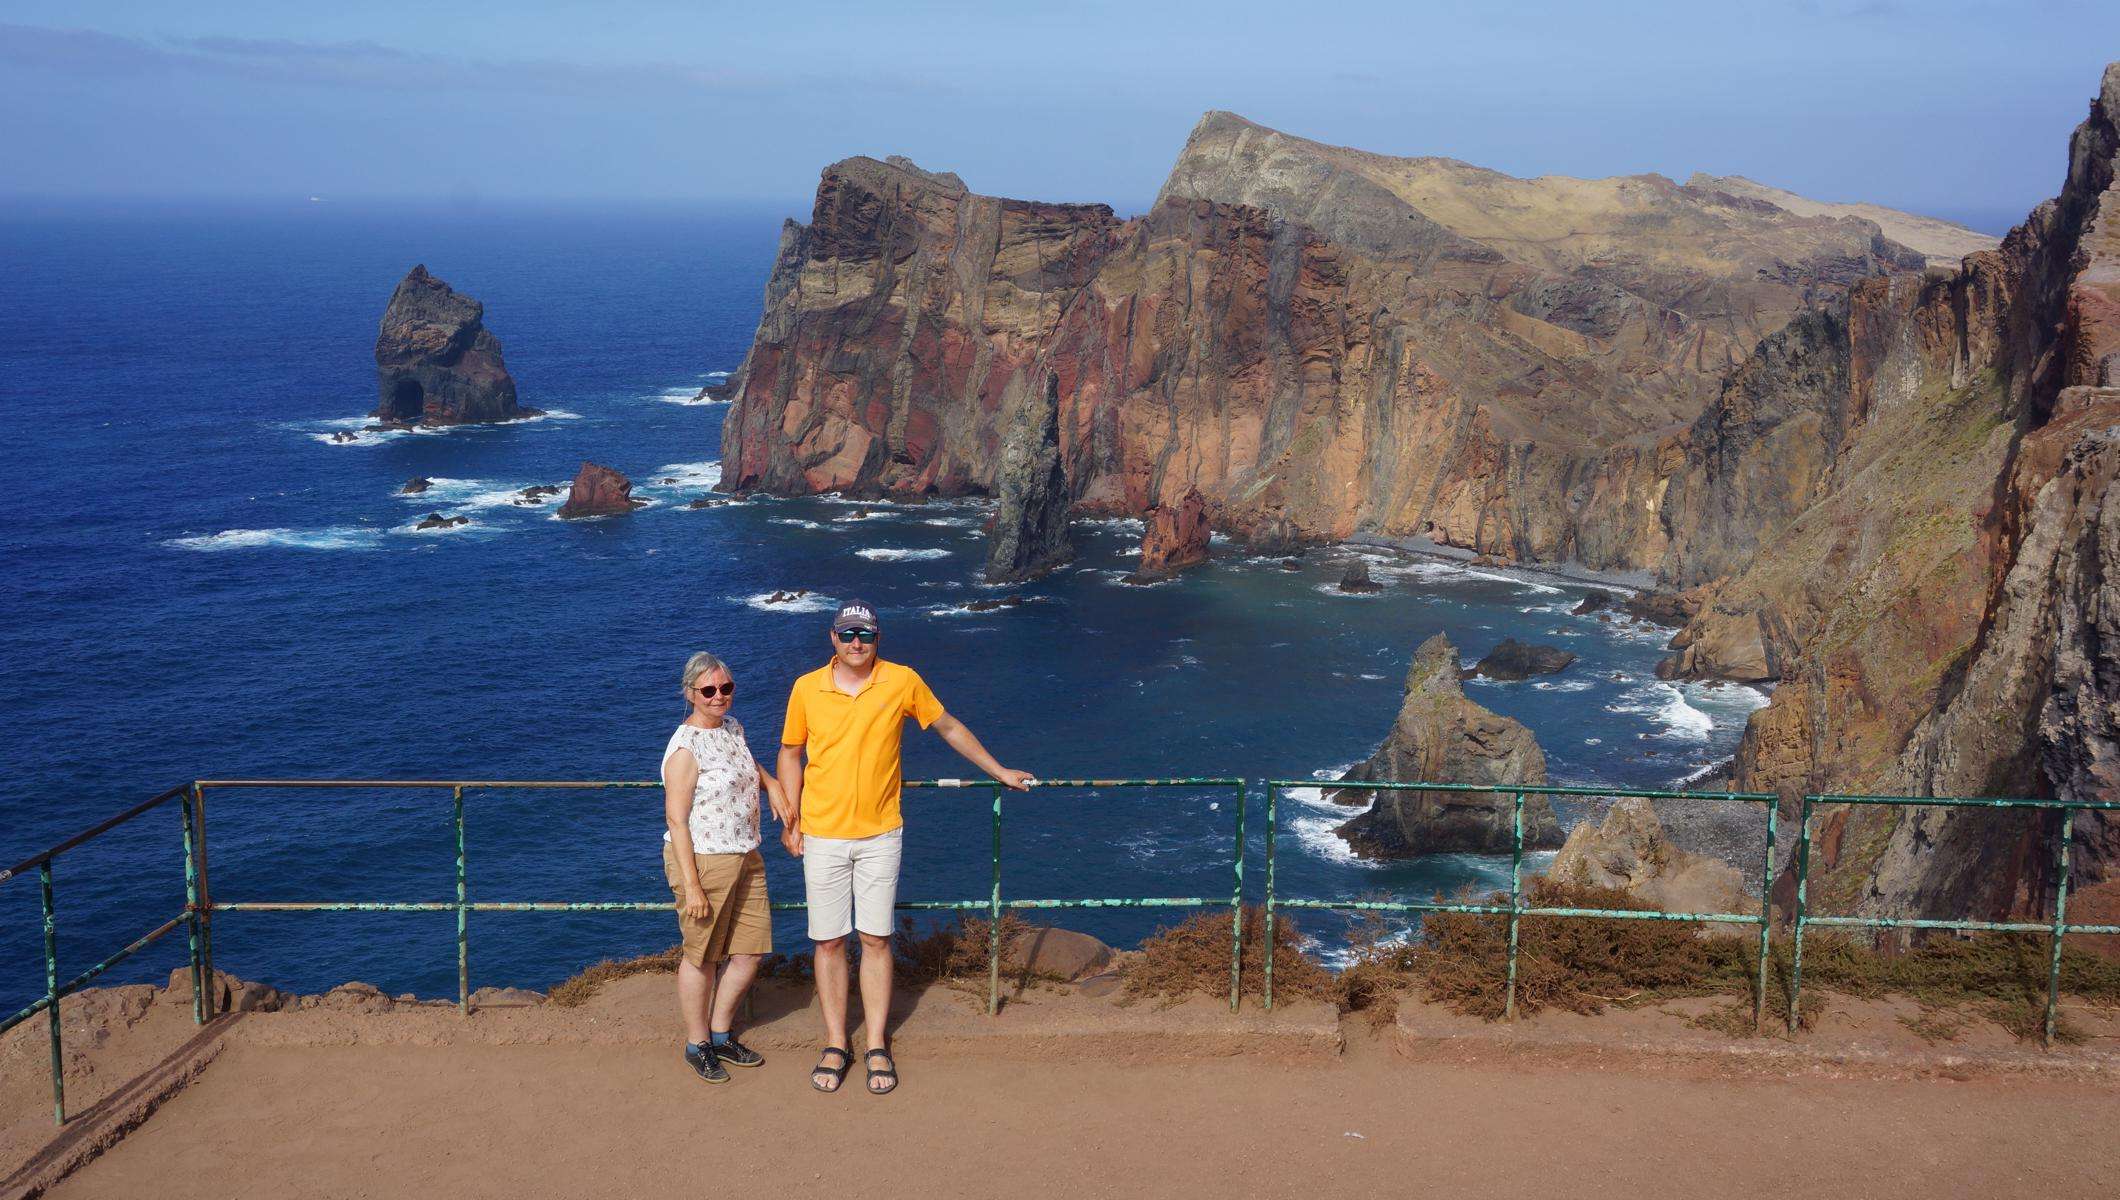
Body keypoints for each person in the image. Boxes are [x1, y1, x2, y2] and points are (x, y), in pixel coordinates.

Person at [779, 600, 1033, 1095]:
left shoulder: (901, 681)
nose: (857, 643)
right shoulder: (806, 688)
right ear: (832, 638)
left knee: (875, 939)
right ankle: (836, 1041)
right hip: (822, 834)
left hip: (880, 833)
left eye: (866, 635)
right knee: (828, 942)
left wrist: (999, 771)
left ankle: (875, 1043)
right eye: (848, 634)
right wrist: (791, 818)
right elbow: (791, 752)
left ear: (879, 638)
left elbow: (948, 726)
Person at [663, 651, 794, 1085]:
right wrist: (693, 885)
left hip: (746, 853)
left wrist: (771, 782)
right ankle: (697, 1044)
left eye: (726, 687)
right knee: (701, 957)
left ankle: (721, 1033)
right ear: (690, 694)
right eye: (708, 690)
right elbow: (676, 820)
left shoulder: (732, 728)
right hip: (704, 858)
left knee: (749, 951)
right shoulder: (686, 747)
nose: (719, 696)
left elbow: (742, 763)